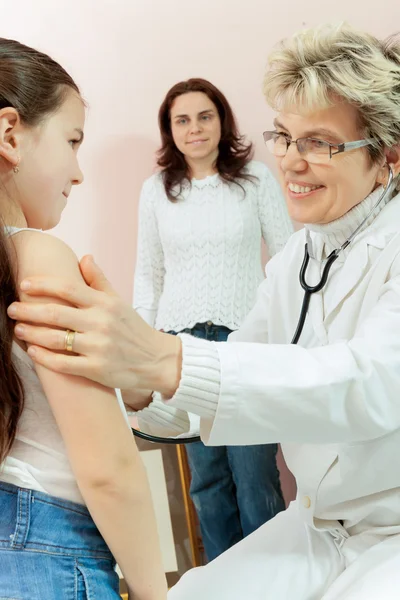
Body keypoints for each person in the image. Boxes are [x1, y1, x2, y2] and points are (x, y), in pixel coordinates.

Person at [8, 23, 400, 599]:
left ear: (389, 154)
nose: (291, 161)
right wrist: (138, 383)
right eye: (284, 137)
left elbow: (370, 383)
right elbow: (243, 355)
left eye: (320, 143)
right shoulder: (298, 259)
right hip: (320, 527)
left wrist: (164, 359)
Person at [0, 38, 167, 600]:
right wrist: (152, 590)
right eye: (72, 141)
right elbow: (109, 471)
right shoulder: (40, 258)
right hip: (46, 551)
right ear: (10, 135)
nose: (78, 172)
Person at [133, 77, 290, 561]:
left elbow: (286, 256)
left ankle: (271, 581)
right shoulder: (157, 191)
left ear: (222, 121)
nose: (195, 128)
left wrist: (286, 337)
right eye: (182, 120)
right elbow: (148, 272)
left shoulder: (255, 180)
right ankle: (224, 579)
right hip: (181, 349)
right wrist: (144, 347)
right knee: (208, 478)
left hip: (245, 344)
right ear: (170, 130)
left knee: (255, 470)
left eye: (205, 116)